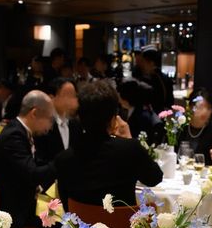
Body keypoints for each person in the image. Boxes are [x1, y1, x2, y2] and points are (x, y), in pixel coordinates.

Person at [55, 79, 163, 209]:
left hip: (81, 222)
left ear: (80, 118)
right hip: (123, 222)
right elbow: (155, 178)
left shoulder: (63, 160)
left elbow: (66, 206)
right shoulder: (130, 150)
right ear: (113, 119)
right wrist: (129, 140)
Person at [0, 90, 57, 228]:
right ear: (34, 113)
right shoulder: (14, 136)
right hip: (12, 210)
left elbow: (32, 166)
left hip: (18, 199)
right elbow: (33, 174)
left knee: (58, 207)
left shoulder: (18, 130)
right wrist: (61, 162)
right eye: (49, 119)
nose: (50, 126)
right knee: (63, 216)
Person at [34, 78, 81, 163]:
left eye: (74, 96)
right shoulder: (41, 125)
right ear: (51, 97)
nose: (72, 100)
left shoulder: (76, 124)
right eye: (67, 96)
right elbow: (39, 159)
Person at [177, 88, 212, 163]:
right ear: (190, 107)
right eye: (201, 107)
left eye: (208, 108)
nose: (205, 111)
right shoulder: (180, 128)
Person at [117, 79, 163, 145]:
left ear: (126, 97)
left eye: (119, 95)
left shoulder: (143, 117)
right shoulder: (134, 110)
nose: (118, 99)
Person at [138, 48, 174, 113]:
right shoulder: (166, 78)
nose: (142, 65)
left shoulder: (148, 80)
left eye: (144, 62)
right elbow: (170, 103)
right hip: (163, 115)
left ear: (151, 63)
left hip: (153, 116)